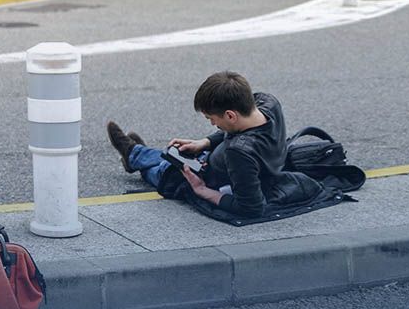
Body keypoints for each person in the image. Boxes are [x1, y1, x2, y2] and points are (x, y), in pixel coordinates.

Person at [105, 71, 288, 219]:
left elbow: (251, 207)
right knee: (174, 156)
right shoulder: (267, 103)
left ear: (230, 115)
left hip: (203, 178)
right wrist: (205, 142)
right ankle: (135, 155)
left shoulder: (239, 152)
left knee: (165, 172)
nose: (212, 124)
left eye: (211, 119)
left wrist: (202, 190)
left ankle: (133, 154)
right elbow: (238, 130)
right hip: (212, 161)